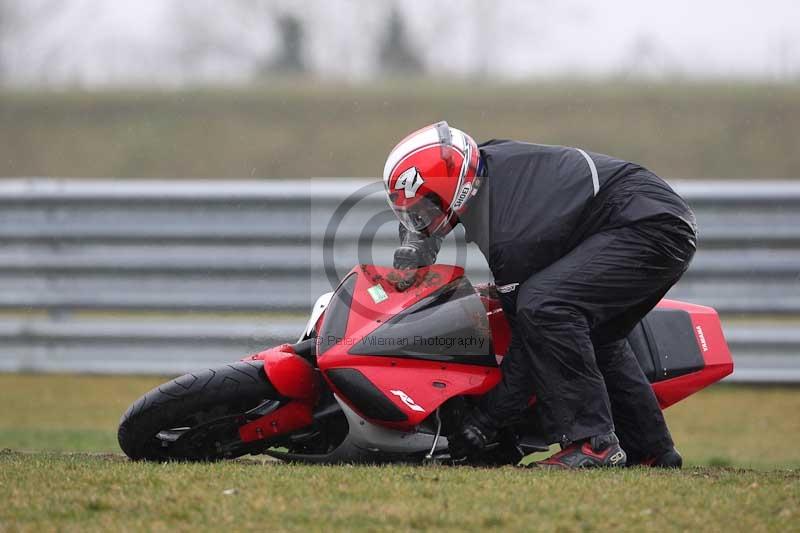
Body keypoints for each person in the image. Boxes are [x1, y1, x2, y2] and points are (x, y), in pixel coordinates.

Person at [383, 121, 696, 468]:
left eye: (424, 210)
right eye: (412, 213)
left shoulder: (512, 237)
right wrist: (415, 247)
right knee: (592, 334)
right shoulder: (478, 162)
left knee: (545, 308)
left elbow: (528, 345)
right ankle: (651, 450)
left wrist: (486, 421)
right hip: (648, 214)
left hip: (647, 226)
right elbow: (439, 196)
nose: (418, 219)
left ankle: (594, 445)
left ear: (454, 193)